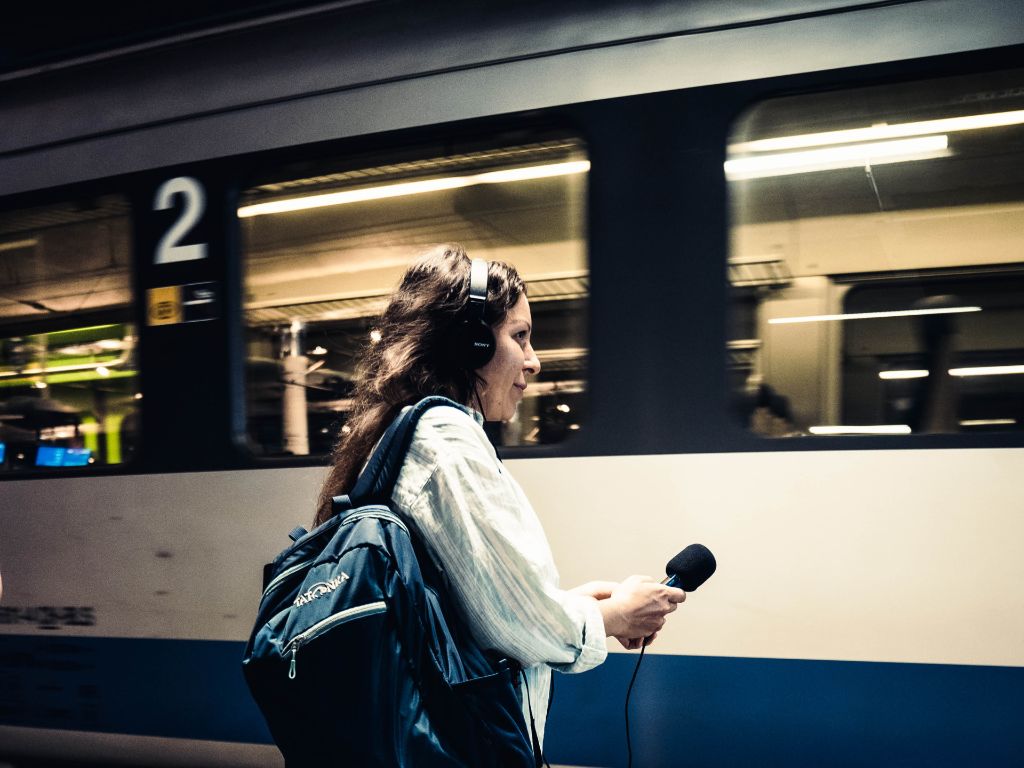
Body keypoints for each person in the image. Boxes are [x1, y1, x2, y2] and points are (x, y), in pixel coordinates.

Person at [315, 244, 686, 752]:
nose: (533, 361)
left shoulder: (405, 433)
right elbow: (520, 628)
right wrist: (615, 616)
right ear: (471, 346)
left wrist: (571, 604)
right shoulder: (445, 442)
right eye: (519, 336)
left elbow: (458, 609)